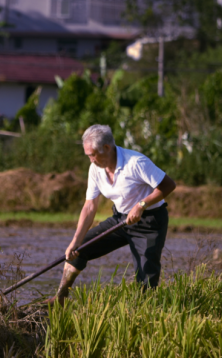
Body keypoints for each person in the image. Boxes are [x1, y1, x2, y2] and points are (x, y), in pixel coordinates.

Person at [43, 124, 176, 306]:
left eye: (92, 154)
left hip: (149, 223)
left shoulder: (136, 162)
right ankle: (60, 298)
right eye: (88, 155)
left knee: (146, 277)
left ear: (106, 148)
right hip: (120, 219)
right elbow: (90, 206)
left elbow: (168, 185)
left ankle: (144, 312)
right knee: (80, 249)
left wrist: (141, 205)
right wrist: (75, 241)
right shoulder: (95, 169)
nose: (90, 160)